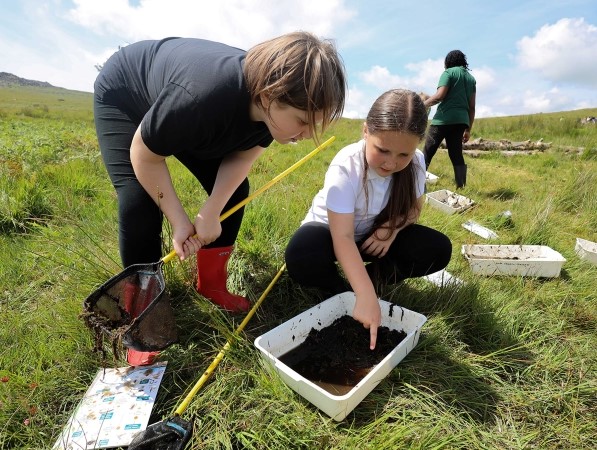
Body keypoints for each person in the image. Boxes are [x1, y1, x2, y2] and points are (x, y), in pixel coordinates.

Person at [94, 32, 346, 365]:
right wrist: (179, 220)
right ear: (270, 95)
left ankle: (211, 285)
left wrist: (210, 213)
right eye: (301, 122)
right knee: (138, 202)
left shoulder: (268, 111)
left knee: (233, 192)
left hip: (183, 114)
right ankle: (142, 321)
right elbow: (145, 155)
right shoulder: (203, 97)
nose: (304, 135)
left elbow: (240, 159)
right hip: (126, 94)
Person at [285, 89, 452, 350]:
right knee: (301, 252)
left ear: (416, 146)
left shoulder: (417, 163)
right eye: (383, 150)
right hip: (331, 235)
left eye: (403, 155)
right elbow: (342, 237)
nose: (390, 163)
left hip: (374, 235)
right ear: (365, 131)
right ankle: (345, 292)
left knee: (437, 249)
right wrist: (364, 295)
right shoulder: (346, 165)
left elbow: (413, 210)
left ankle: (376, 279)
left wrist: (391, 228)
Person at [422, 50, 476, 188]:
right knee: (456, 153)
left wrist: (421, 105)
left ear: (448, 62)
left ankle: (416, 182)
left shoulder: (448, 73)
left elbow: (439, 96)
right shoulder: (471, 79)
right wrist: (468, 130)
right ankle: (461, 186)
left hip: (443, 119)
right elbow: (472, 107)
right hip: (461, 121)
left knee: (428, 151)